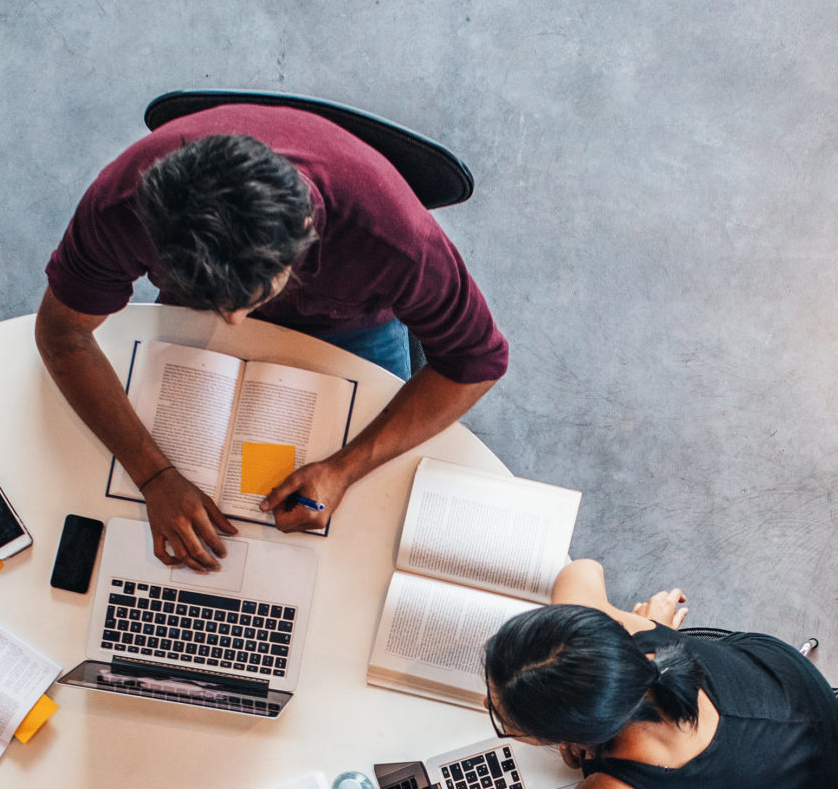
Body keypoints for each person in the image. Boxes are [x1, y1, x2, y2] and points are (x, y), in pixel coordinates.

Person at [37, 104, 510, 572]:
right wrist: (154, 475)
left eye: (251, 297)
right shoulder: (121, 204)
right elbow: (63, 334)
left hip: (353, 323)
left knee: (364, 522)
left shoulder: (394, 240)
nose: (235, 323)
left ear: (306, 233)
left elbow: (477, 363)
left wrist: (344, 468)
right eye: (217, 303)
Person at [482, 560, 838, 789]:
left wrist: (592, 755)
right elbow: (580, 571)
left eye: (504, 721)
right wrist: (652, 628)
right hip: (790, 686)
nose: (486, 705)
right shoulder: (619, 631)